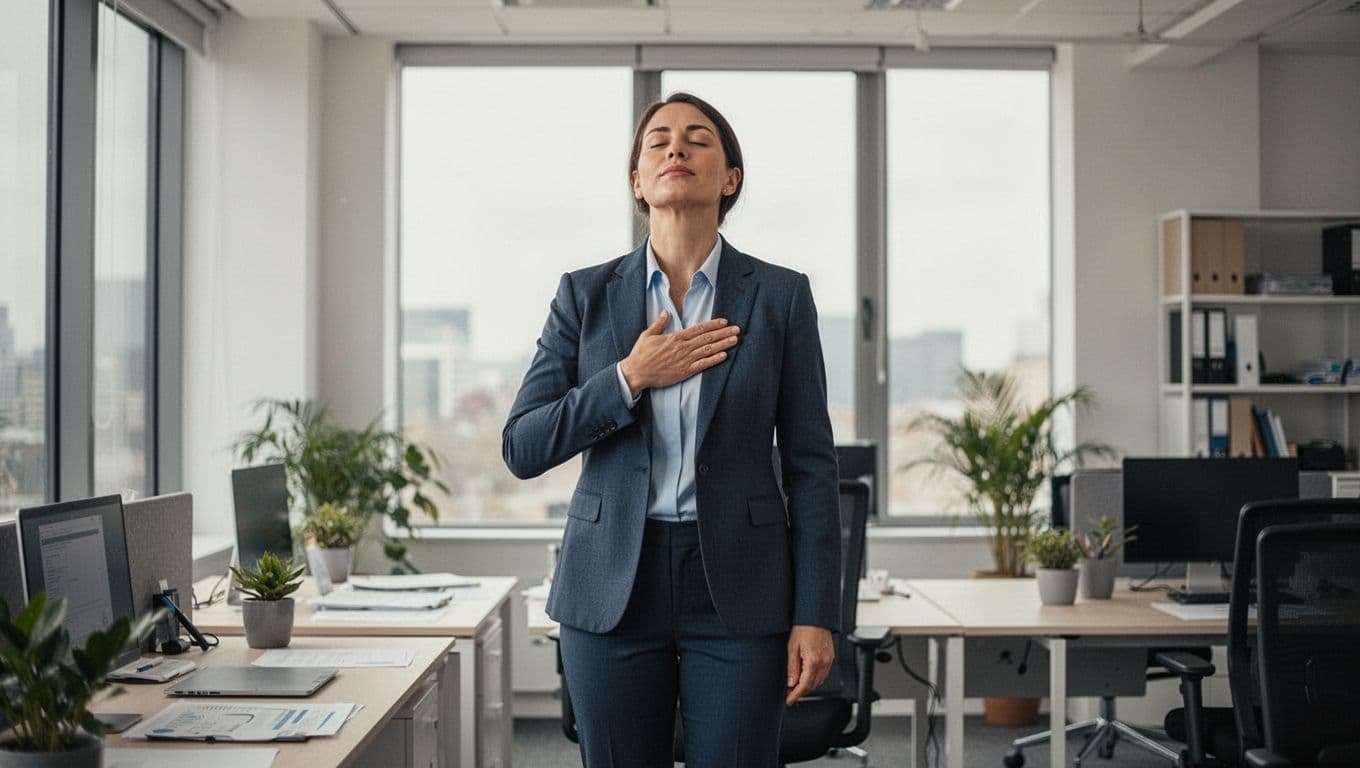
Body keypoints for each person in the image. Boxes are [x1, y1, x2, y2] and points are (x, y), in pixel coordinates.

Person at [502, 92, 841, 768]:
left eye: (697, 139)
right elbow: (522, 445)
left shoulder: (779, 296)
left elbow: (811, 466)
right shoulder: (584, 295)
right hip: (612, 583)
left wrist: (816, 613)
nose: (675, 149)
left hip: (741, 587)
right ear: (637, 181)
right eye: (656, 141)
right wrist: (629, 376)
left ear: (731, 178)